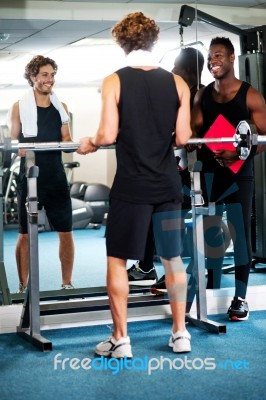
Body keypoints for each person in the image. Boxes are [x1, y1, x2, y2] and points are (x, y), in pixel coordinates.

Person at [77, 11, 192, 357]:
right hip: (168, 185)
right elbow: (184, 137)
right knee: (173, 260)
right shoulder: (177, 83)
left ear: (121, 43)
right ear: (154, 42)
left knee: (117, 260)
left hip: (132, 186)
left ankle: (120, 339)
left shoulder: (114, 80)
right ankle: (181, 333)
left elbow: (107, 134)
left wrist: (90, 143)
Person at [191, 37, 266, 321]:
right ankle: (210, 290)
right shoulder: (203, 95)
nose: (214, 61)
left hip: (239, 175)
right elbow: (194, 131)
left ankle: (240, 298)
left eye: (219, 56)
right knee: (212, 233)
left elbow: (263, 138)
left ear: (233, 58)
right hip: (210, 173)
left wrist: (239, 154)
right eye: (210, 57)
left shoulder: (250, 96)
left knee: (240, 234)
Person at [126, 47, 205, 291]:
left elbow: (191, 134)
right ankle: (147, 265)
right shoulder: (179, 92)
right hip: (171, 165)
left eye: (177, 67)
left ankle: (172, 271)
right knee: (156, 216)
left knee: (171, 222)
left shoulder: (198, 96)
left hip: (188, 170)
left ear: (190, 72)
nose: (172, 71)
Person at [8, 55, 75, 293]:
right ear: (33, 77)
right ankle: (22, 286)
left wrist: (74, 144)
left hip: (55, 176)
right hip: (29, 175)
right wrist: (19, 147)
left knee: (65, 231)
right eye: (45, 75)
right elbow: (14, 141)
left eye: (52, 75)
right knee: (25, 234)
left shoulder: (61, 107)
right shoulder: (19, 107)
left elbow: (66, 139)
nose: (50, 80)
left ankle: (67, 283)